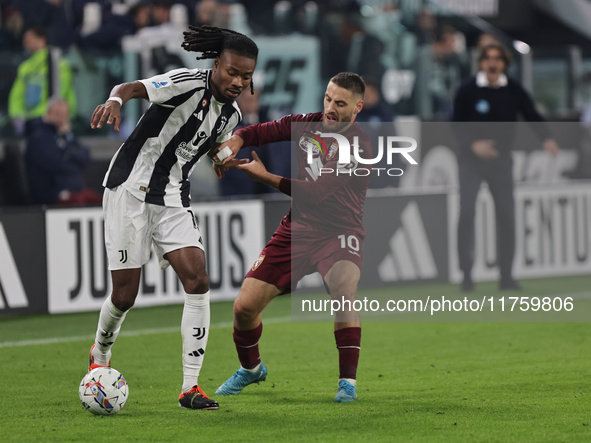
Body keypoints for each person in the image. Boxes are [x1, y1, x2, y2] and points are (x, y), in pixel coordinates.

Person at [86, 25, 258, 410]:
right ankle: (100, 352)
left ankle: (190, 387)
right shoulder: (185, 83)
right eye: (232, 72)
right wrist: (115, 100)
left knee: (197, 279)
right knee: (125, 295)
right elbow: (130, 88)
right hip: (129, 189)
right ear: (217, 65)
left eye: (246, 76)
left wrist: (219, 158)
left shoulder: (230, 115)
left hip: (173, 197)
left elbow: (203, 144)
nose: (237, 81)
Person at [213, 72, 371, 403]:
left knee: (344, 287)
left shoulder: (357, 145)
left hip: (339, 230)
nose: (329, 108)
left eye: (339, 103)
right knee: (244, 308)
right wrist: (236, 141)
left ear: (357, 108)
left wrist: (265, 176)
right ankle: (252, 369)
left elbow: (316, 194)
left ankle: (347, 383)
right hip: (297, 228)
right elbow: (258, 130)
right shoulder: (305, 124)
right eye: (328, 98)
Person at [452, 43, 560, 292]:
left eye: (497, 59)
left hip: (500, 162)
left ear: (504, 64)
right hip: (471, 161)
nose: (492, 63)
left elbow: (531, 114)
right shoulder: (467, 90)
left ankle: (506, 276)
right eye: (488, 58)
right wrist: (473, 144)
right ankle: (467, 275)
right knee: (467, 212)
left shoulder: (513, 90)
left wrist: (547, 138)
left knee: (507, 217)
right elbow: (456, 124)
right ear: (481, 63)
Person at [25, 97, 102, 206]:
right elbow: (56, 164)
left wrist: (66, 139)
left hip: (75, 188)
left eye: (64, 114)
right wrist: (69, 152)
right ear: (49, 113)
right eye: (58, 113)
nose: (62, 118)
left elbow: (85, 157)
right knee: (78, 202)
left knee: (101, 201)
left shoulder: (66, 135)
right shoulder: (39, 136)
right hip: (52, 192)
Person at [8, 26, 77, 135]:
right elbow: (17, 94)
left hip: (52, 120)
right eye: (25, 39)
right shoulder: (25, 67)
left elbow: (62, 91)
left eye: (30, 38)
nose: (26, 42)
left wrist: (57, 115)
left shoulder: (58, 63)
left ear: (42, 39)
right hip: (30, 121)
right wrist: (17, 115)